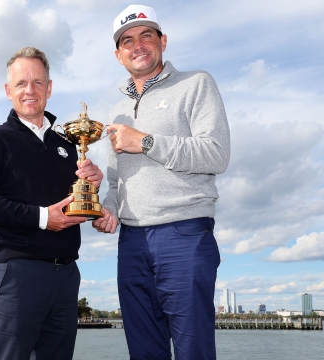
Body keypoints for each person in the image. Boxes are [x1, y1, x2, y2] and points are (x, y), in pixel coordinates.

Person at [92, 4, 230, 360]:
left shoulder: (196, 84)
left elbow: (216, 154)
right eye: (127, 41)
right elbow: (115, 180)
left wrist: (147, 142)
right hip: (132, 243)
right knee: (144, 352)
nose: (137, 45)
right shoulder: (115, 112)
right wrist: (107, 209)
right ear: (118, 54)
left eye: (146, 35)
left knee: (193, 351)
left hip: (184, 235)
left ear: (162, 41)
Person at [0, 47, 103, 359]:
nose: (30, 90)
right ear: (8, 90)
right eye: (22, 83)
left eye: (38, 82)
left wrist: (93, 189)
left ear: (49, 88)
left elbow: (76, 205)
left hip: (66, 276)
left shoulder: (67, 145)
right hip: (17, 274)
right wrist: (42, 217)